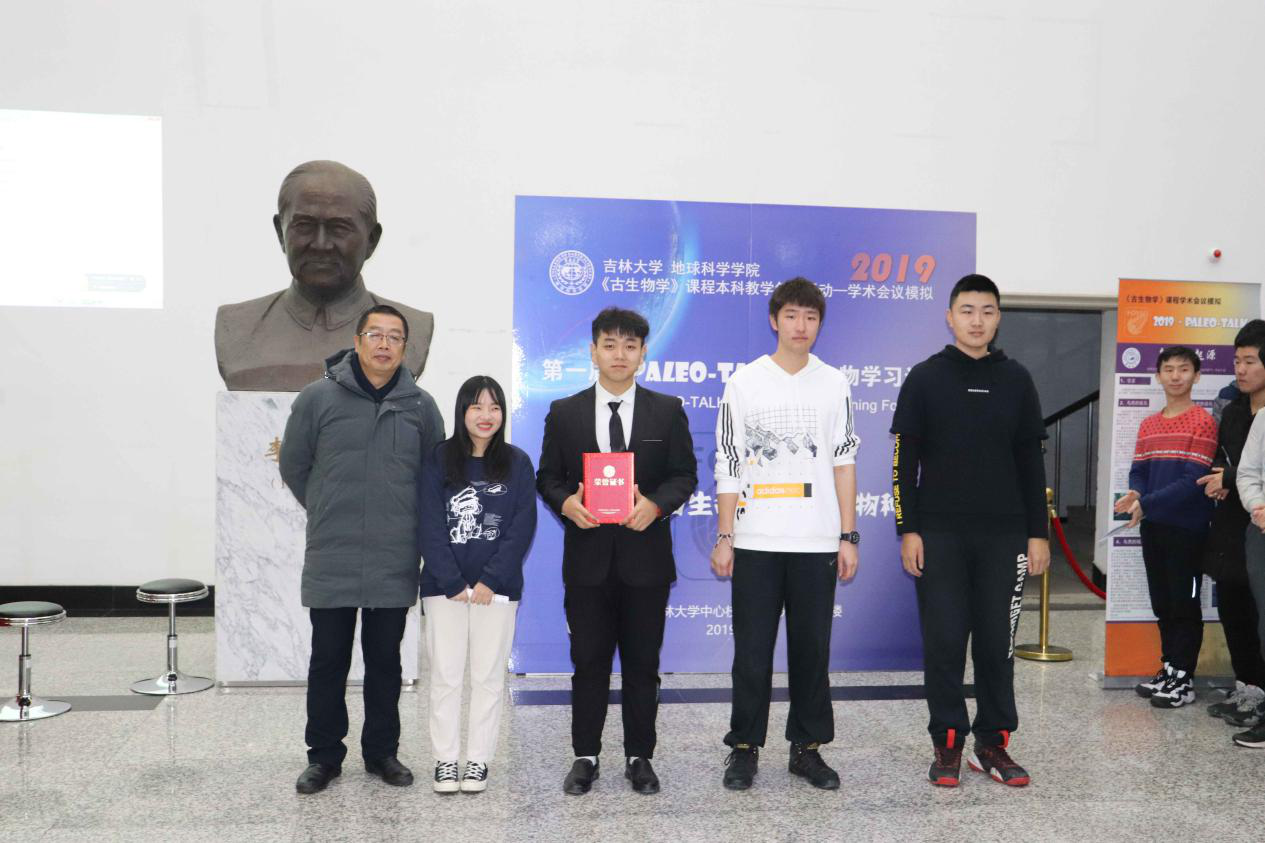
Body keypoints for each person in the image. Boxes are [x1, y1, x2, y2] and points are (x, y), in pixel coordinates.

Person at [890, 273, 1049, 788]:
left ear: (998, 318)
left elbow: (1031, 462)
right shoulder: (925, 377)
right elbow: (903, 462)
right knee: (944, 643)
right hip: (939, 536)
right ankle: (949, 742)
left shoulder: (1017, 379)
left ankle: (992, 743)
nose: (977, 321)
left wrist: (1038, 533)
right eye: (967, 310)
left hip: (1006, 537)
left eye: (987, 311)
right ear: (950, 317)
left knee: (997, 646)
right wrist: (908, 529)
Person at [279, 304, 444, 794]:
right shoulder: (317, 397)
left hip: (394, 555)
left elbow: (434, 478)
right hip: (334, 552)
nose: (384, 344)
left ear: (405, 348)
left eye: (395, 337)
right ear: (357, 341)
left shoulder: (421, 406)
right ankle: (323, 757)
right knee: (328, 661)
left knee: (385, 663)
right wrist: (326, 506)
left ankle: (382, 753)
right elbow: (294, 465)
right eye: (376, 334)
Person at [536, 307, 698, 796]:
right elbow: (547, 477)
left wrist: (656, 505)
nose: (619, 355)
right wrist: (566, 503)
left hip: (645, 561)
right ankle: (585, 756)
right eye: (609, 345)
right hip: (587, 562)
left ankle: (639, 757)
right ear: (593, 351)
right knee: (588, 662)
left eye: (630, 346)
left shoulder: (666, 410)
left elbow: (684, 475)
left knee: (643, 665)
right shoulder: (564, 412)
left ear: (643, 353)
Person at [710, 277, 860, 792]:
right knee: (752, 652)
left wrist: (848, 535)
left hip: (817, 541)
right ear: (774, 320)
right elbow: (729, 461)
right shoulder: (745, 382)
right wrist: (726, 535)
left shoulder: (834, 383)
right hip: (755, 540)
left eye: (811, 317)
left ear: (820, 324)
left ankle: (807, 748)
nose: (801, 326)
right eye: (792, 315)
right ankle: (744, 748)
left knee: (812, 652)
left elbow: (844, 461)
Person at [215, 160, 434, 390]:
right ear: (280, 232)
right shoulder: (236, 327)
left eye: (339, 228)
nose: (321, 244)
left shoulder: (413, 328)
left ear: (371, 240)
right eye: (304, 226)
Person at [417, 375, 537, 793]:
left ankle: (478, 761)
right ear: (462, 411)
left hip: (497, 591)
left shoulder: (517, 462)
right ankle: (445, 760)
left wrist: (490, 580)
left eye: (494, 407)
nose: (486, 416)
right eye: (477, 406)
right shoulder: (438, 458)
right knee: (446, 676)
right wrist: (452, 581)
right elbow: (429, 524)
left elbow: (521, 526)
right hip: (443, 588)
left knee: (487, 677)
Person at [1115, 345, 1217, 709]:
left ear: (1196, 375)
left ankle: (1183, 680)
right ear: (1158, 376)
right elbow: (1139, 470)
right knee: (1163, 602)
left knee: (1184, 604)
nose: (1176, 376)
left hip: (1187, 529)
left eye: (1183, 369)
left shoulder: (1203, 421)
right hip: (1154, 526)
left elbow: (1193, 480)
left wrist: (1148, 502)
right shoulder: (1149, 424)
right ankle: (1170, 668)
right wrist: (1135, 493)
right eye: (1169, 369)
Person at [1198, 322, 1265, 731]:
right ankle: (1246, 685)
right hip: (1230, 524)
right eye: (1237, 361)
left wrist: (1231, 476)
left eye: (1250, 361)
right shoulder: (1235, 411)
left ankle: (1260, 692)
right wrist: (1221, 475)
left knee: (1259, 613)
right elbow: (1222, 458)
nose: (1241, 369)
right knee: (1233, 607)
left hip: (1258, 525)